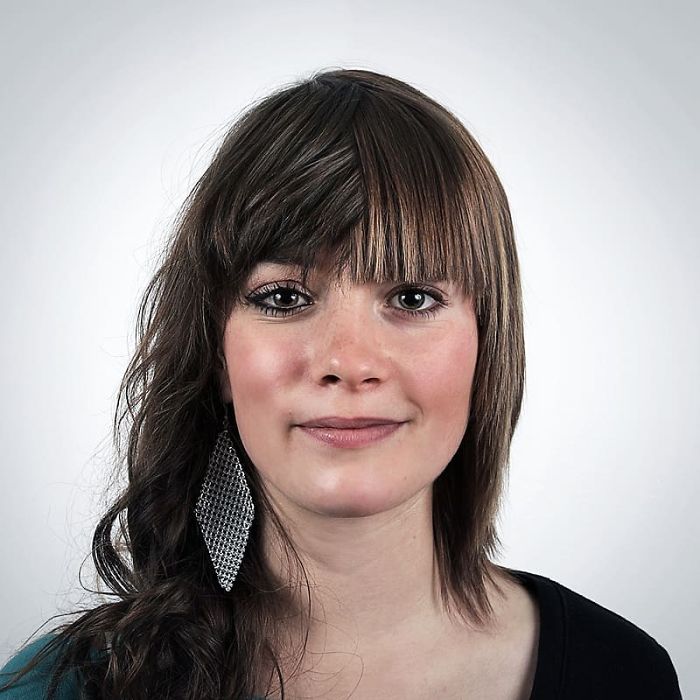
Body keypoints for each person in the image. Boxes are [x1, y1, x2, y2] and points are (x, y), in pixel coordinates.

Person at [0, 68, 682, 700]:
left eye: (412, 298)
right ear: (216, 353)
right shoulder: (55, 689)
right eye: (284, 297)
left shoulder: (624, 674)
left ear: (486, 344)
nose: (349, 362)